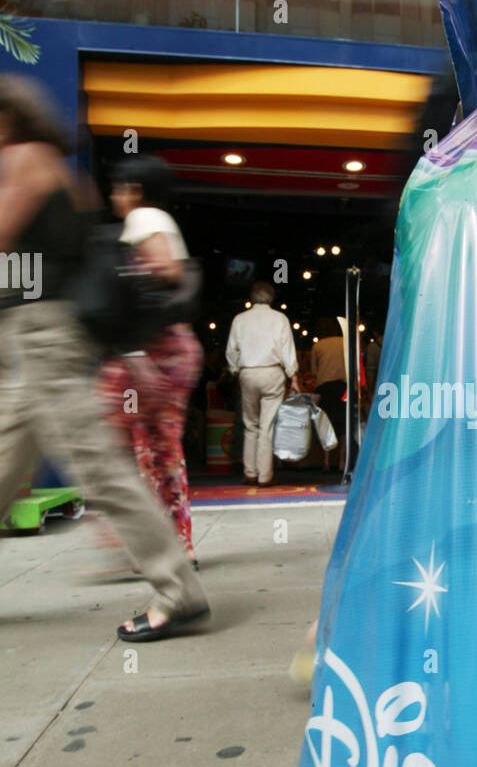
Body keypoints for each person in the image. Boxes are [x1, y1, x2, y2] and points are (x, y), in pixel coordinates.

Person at [0, 75, 209, 642]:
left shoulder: (26, 159)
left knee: (102, 466)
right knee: (5, 463)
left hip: (44, 335)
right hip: (35, 335)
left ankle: (177, 589)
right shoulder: (63, 174)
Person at [98, 156, 202, 565]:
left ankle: (126, 537)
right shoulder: (158, 219)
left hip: (153, 350)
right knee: (160, 452)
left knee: (102, 436)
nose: (113, 196)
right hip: (170, 349)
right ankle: (176, 545)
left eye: (118, 187)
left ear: (134, 191)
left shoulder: (143, 217)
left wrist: (135, 345)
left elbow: (165, 269)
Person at [226, 281, 299, 486]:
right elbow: (287, 350)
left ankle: (249, 472)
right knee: (267, 426)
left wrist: (234, 370)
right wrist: (292, 375)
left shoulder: (240, 319)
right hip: (272, 372)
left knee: (250, 425)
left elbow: (232, 350)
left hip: (248, 373)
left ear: (252, 297)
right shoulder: (280, 319)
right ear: (272, 298)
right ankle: (265, 475)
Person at [309, 318, 346, 472]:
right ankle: (342, 462)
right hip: (344, 386)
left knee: (326, 424)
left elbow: (314, 372)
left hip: (324, 387)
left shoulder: (318, 346)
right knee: (344, 424)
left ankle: (326, 461)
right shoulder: (346, 342)